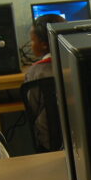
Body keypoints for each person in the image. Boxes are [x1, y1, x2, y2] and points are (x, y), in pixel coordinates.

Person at [23, 14, 66, 151]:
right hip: (78, 139)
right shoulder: (75, 65)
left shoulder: (35, 72)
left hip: (49, 142)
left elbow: (32, 109)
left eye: (32, 40)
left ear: (43, 45)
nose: (31, 45)